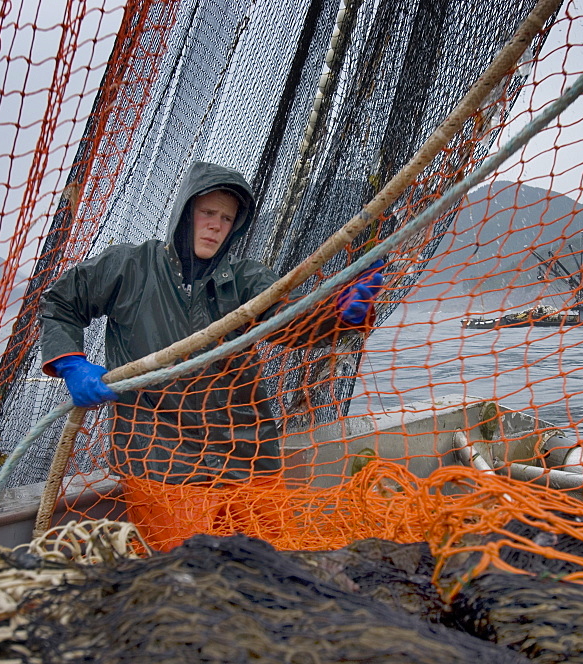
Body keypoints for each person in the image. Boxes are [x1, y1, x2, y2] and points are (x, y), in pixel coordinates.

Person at [40, 161, 384, 550]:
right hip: (161, 459)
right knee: (189, 573)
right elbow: (60, 303)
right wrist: (72, 363)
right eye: (207, 213)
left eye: (226, 217)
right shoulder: (129, 267)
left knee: (275, 565)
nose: (216, 225)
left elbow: (294, 323)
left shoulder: (246, 279)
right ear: (185, 212)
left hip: (248, 453)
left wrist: (341, 313)